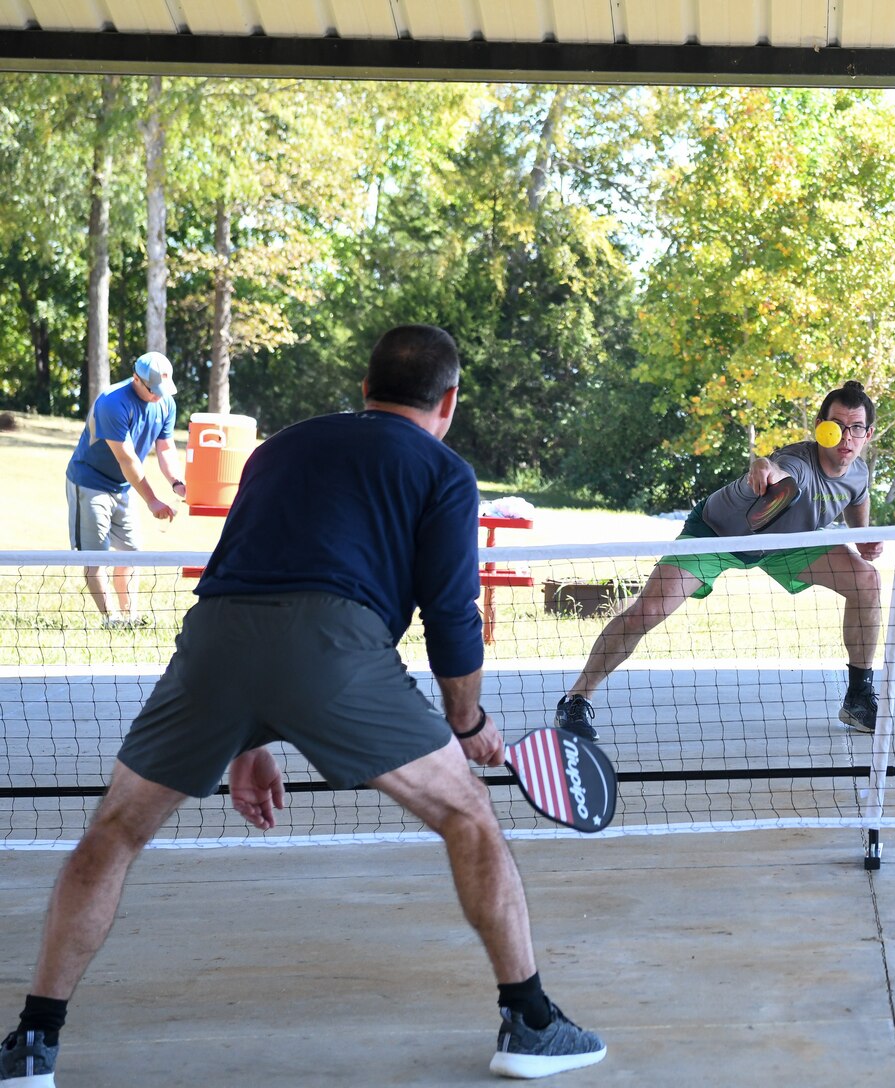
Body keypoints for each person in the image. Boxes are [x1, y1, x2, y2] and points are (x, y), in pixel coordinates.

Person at [1, 326, 605, 1085]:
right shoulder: (444, 470)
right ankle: (532, 1023)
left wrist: (247, 735)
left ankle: (31, 1043)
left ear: (364, 389)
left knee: (114, 831)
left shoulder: (277, 451)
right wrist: (467, 722)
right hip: (338, 645)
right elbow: (452, 615)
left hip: (214, 638)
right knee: (468, 817)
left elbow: (247, 571)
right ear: (448, 400)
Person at [554, 381, 884, 735]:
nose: (845, 439)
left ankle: (858, 699)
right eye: (837, 427)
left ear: (868, 433)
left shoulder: (859, 472)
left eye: (856, 428)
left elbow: (857, 497)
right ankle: (576, 699)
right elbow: (779, 470)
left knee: (867, 579)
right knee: (647, 612)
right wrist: (763, 467)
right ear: (820, 425)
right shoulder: (798, 462)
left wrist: (862, 536)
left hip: (786, 543)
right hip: (716, 534)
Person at [64, 352, 185, 628]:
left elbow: (165, 447)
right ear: (136, 380)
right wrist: (152, 501)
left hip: (122, 486)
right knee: (97, 557)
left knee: (131, 552)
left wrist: (177, 482)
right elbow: (127, 459)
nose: (158, 396)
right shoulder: (112, 402)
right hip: (90, 481)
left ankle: (129, 617)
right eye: (153, 390)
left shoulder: (165, 403)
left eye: (163, 391)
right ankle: (111, 620)